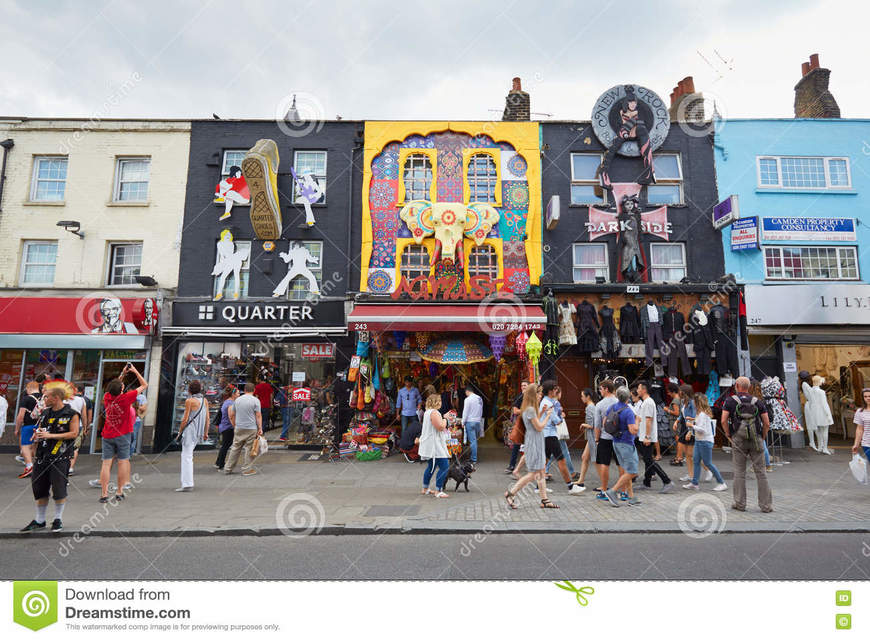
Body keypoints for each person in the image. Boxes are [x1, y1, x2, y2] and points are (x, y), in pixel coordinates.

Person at [20, 386, 80, 532]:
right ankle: (40, 520)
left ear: (56, 398)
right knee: (39, 489)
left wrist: (50, 436)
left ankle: (58, 519)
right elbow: (42, 428)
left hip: (60, 457)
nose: (44, 399)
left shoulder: (71, 414)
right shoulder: (45, 413)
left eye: (46, 397)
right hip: (42, 457)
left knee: (59, 489)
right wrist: (37, 434)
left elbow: (74, 434)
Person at [720, 376, 773, 513]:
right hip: (756, 439)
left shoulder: (730, 401)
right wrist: (763, 435)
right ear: (748, 387)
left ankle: (740, 503)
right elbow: (766, 422)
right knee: (761, 473)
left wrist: (728, 434)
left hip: (738, 439)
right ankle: (766, 506)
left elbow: (723, 420)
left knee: (739, 472)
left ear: (737, 386)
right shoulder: (758, 401)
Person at [504, 383, 559, 509]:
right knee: (534, 474)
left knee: (540, 472)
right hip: (534, 442)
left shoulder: (530, 409)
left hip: (535, 441)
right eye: (539, 393)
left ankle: (545, 500)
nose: (541, 396)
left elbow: (534, 422)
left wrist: (543, 412)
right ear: (533, 395)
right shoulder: (530, 409)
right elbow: (539, 427)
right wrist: (548, 416)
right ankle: (511, 493)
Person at [100, 364, 146, 503]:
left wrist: (122, 373)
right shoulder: (126, 398)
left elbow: (114, 386)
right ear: (121, 389)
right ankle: (119, 492)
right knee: (122, 462)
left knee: (106, 464)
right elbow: (144, 384)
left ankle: (104, 494)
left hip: (107, 434)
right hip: (123, 434)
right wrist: (135, 371)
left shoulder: (107, 397)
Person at [539, 380, 583, 495]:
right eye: (554, 389)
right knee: (561, 460)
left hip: (546, 434)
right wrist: (562, 417)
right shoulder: (549, 403)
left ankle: (538, 486)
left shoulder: (546, 401)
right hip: (550, 435)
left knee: (545, 461)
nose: (556, 391)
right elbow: (557, 421)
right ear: (550, 391)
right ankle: (570, 486)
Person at [602, 387, 641, 507]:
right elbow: (633, 430)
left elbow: (604, 423)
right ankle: (612, 491)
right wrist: (638, 421)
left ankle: (631, 497)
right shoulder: (628, 411)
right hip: (627, 443)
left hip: (616, 441)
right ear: (628, 397)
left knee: (626, 470)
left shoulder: (612, 407)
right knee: (633, 471)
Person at [636, 380, 674, 493]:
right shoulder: (646, 402)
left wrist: (647, 436)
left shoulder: (648, 402)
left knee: (649, 460)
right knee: (647, 460)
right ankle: (646, 483)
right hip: (644, 435)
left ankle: (667, 481)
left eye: (638, 388)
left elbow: (649, 420)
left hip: (647, 436)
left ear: (643, 389)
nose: (637, 390)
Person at [684, 393, 727, 491]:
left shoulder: (702, 414)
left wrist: (691, 425)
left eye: (694, 402)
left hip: (705, 441)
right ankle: (694, 483)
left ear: (698, 402)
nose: (693, 403)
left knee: (708, 463)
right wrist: (693, 420)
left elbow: (703, 430)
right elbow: (701, 424)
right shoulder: (701, 413)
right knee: (696, 461)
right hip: (700, 441)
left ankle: (722, 482)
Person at [175, 380, 209, 492]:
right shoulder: (205, 401)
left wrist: (179, 432)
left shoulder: (189, 401)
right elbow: (207, 418)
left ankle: (187, 484)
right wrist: (205, 432)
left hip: (190, 431)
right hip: (199, 431)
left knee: (186, 456)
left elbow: (185, 419)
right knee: (188, 456)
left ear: (190, 390)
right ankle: (187, 483)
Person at [224, 383, 263, 476]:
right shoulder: (256, 401)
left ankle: (228, 468)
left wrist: (234, 425)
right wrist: (260, 428)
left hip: (239, 427)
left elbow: (231, 414)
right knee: (249, 448)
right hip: (251, 428)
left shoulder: (237, 400)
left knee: (235, 448)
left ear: (244, 390)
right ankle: (246, 469)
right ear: (254, 390)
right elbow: (258, 415)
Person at [545, 386, 580, 486]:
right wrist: (561, 416)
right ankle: (572, 473)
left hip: (552, 431)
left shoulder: (549, 402)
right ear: (558, 393)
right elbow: (556, 417)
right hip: (557, 431)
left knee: (552, 453)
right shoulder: (556, 403)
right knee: (565, 452)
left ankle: (545, 471)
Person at [419, 393, 450, 498]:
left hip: (429, 444)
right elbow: (440, 427)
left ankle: (425, 488)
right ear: (436, 402)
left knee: (431, 467)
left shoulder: (428, 412)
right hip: (434, 445)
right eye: (440, 401)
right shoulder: (434, 412)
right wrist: (446, 420)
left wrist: (443, 417)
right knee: (445, 466)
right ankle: (438, 490)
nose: (441, 403)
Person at [594, 380, 621, 500]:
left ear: (606, 389)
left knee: (604, 463)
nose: (600, 391)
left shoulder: (599, 405)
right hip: (618, 437)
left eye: (600, 389)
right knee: (621, 464)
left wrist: (596, 439)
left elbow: (597, 425)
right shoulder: (619, 402)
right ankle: (624, 490)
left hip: (605, 437)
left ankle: (604, 489)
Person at [15, 380, 41, 479]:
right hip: (40, 426)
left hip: (28, 426)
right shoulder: (44, 397)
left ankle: (29, 466)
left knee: (25, 446)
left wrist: (17, 429)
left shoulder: (26, 399)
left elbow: (20, 416)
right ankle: (36, 466)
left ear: (29, 388)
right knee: (35, 447)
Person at [67, 383, 91, 476]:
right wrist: (85, 427)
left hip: (65, 426)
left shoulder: (62, 400)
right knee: (75, 448)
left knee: (65, 446)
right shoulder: (81, 400)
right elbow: (84, 416)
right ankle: (70, 467)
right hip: (78, 426)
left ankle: (63, 466)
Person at [506, 381, 529, 474]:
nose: (523, 387)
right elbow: (515, 411)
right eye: (522, 385)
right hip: (521, 424)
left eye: (525, 385)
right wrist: (527, 410)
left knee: (530, 445)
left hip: (530, 423)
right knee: (517, 444)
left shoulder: (532, 397)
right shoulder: (519, 397)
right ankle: (512, 465)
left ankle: (532, 467)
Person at [576, 388, 597, 489]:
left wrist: (583, 424)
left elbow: (592, 424)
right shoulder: (592, 406)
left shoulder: (589, 407)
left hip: (593, 436)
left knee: (596, 460)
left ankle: (603, 483)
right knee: (585, 457)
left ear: (588, 396)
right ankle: (581, 480)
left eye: (582, 396)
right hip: (591, 436)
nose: (581, 398)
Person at [215, 386, 239, 470]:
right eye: (237, 393)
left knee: (225, 445)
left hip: (225, 426)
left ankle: (219, 462)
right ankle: (220, 463)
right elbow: (231, 416)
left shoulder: (227, 402)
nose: (239, 395)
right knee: (226, 445)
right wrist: (235, 426)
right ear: (233, 394)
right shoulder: (230, 403)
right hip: (228, 427)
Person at [677, 384, 697, 483]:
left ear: (684, 392)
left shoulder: (692, 403)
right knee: (687, 454)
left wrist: (690, 431)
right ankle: (690, 475)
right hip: (684, 426)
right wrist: (677, 421)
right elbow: (681, 414)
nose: (678, 392)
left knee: (691, 454)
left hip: (691, 427)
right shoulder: (682, 401)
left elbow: (694, 417)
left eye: (680, 391)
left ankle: (707, 469)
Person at [460, 384, 484, 467]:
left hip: (470, 421)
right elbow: (481, 410)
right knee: (475, 440)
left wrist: (463, 422)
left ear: (467, 391)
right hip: (478, 421)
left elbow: (465, 412)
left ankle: (473, 459)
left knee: (472, 441)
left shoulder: (467, 399)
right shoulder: (479, 398)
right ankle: (473, 456)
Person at [665, 382, 683, 465]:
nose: (668, 394)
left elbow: (677, 413)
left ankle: (679, 457)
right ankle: (678, 456)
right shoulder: (679, 398)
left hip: (675, 421)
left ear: (672, 391)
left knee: (678, 440)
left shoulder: (675, 400)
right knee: (678, 439)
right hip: (678, 422)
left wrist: (667, 410)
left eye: (669, 392)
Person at [851, 387, 870, 461]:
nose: (868, 398)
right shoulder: (860, 412)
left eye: (869, 396)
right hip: (867, 444)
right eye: (865, 396)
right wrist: (856, 444)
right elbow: (859, 429)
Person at [131, 390, 147, 454]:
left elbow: (144, 408)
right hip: (127, 420)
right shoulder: (127, 396)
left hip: (136, 420)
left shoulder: (142, 397)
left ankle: (129, 454)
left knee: (133, 437)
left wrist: (136, 406)